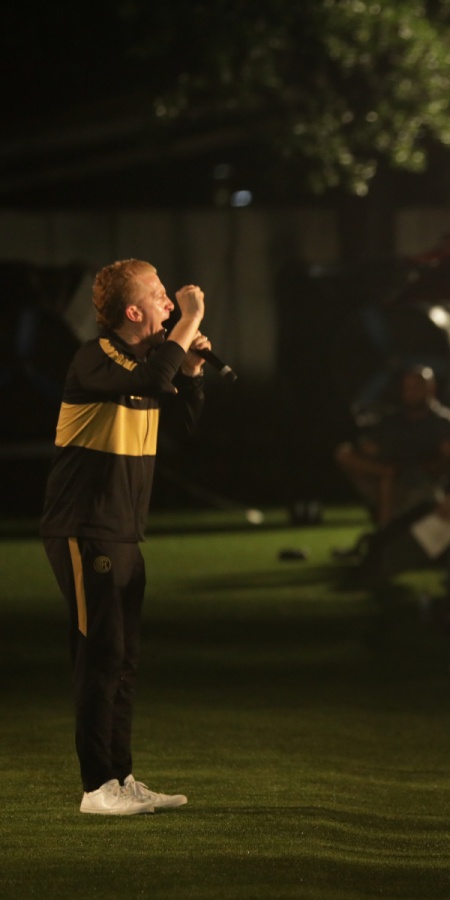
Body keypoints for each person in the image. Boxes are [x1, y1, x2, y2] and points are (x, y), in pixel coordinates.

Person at [39, 259, 211, 815]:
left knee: (124, 660)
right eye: (159, 295)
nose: (170, 303)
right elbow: (152, 380)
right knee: (100, 655)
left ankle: (121, 776)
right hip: (84, 529)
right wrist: (189, 323)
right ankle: (96, 788)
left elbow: (181, 425)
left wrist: (192, 372)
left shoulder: (145, 365)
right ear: (134, 313)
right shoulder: (96, 357)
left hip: (123, 533)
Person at [334, 366, 450, 526]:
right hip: (390, 477)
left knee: (389, 482)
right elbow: (372, 449)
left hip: (424, 482)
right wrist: (386, 465)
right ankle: (385, 529)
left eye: (417, 387)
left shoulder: (443, 421)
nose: (412, 392)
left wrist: (416, 467)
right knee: (349, 456)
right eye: (408, 387)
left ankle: (385, 533)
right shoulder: (395, 420)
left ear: (431, 388)